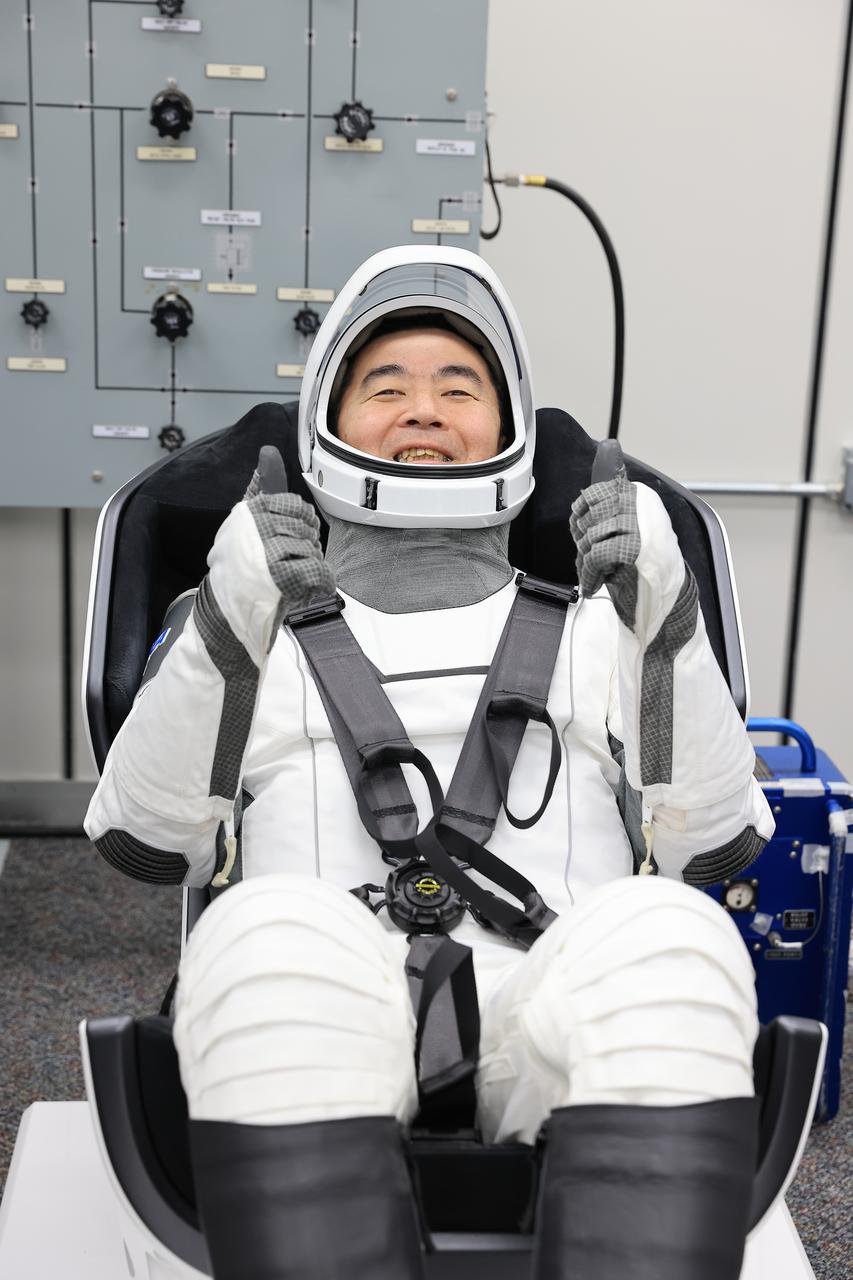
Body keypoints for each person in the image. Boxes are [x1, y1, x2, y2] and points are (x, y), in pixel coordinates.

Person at [85, 246, 774, 1280]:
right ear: (328, 425)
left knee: (675, 929)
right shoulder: (239, 621)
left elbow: (714, 844)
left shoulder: (600, 627)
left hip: (549, 1001)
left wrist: (665, 617)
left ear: (508, 433)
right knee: (264, 930)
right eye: (385, 386)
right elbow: (144, 840)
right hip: (319, 999)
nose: (422, 406)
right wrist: (229, 607)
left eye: (459, 386)